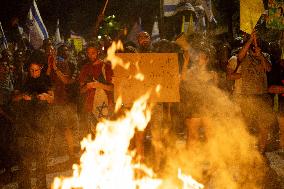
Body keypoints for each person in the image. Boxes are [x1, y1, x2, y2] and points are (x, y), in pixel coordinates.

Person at [226, 31, 273, 153]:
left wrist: (260, 55)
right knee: (245, 126)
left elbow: (268, 68)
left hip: (262, 96)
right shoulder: (241, 56)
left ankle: (261, 152)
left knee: (263, 126)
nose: (253, 48)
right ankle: (245, 152)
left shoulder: (265, 56)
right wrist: (250, 39)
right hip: (247, 96)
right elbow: (239, 58)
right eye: (250, 45)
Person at [13, 52, 54, 189]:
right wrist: (23, 96)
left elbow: (52, 98)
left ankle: (41, 186)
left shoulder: (46, 79)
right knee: (25, 161)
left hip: (42, 125)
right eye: (31, 70)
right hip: (25, 125)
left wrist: (45, 97)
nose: (34, 72)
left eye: (36, 70)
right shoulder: (24, 79)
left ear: (41, 68)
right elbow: (14, 98)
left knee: (42, 160)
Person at [47, 44, 79, 161]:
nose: (50, 52)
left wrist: (55, 68)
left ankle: (71, 155)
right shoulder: (44, 65)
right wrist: (49, 67)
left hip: (62, 101)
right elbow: (46, 80)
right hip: (50, 101)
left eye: (52, 50)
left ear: (56, 52)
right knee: (49, 129)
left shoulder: (63, 64)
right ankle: (45, 157)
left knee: (67, 129)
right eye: (48, 50)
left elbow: (66, 80)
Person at [79, 44, 114, 134]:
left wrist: (99, 85)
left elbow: (112, 88)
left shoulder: (107, 67)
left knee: (108, 134)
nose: (91, 55)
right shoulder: (85, 68)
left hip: (107, 106)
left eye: (93, 53)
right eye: (89, 53)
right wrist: (87, 86)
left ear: (98, 52)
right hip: (90, 107)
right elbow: (81, 90)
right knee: (94, 136)